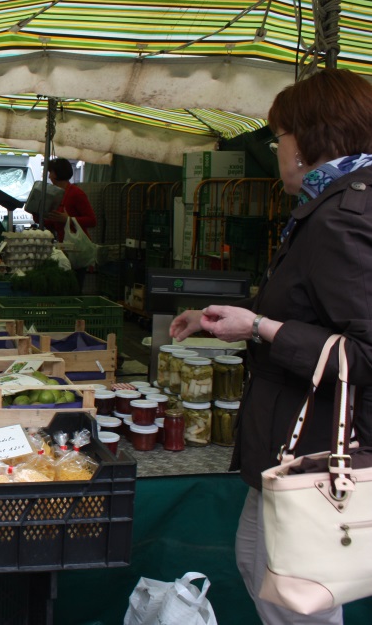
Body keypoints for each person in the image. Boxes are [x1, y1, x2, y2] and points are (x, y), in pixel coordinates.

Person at [170, 68, 372, 625]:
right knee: (259, 567)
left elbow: (365, 351)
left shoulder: (343, 219)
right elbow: (311, 309)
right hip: (289, 446)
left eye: (278, 136)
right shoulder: (331, 206)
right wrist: (224, 320)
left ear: (307, 140)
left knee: (295, 595)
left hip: (314, 450)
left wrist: (260, 327)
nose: (277, 150)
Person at [38, 158, 96, 287]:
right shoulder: (55, 194)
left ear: (57, 174)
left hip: (76, 249)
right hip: (62, 249)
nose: (49, 176)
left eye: (51, 172)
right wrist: (37, 213)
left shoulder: (76, 194)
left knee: (74, 286)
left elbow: (92, 220)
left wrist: (68, 219)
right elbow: (52, 223)